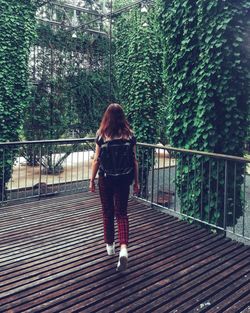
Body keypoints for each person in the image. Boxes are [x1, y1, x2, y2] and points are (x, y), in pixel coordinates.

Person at [89, 103, 139, 272]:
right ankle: (123, 248)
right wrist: (137, 182)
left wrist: (91, 181)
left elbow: (96, 160)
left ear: (107, 117)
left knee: (107, 212)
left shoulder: (101, 135)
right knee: (122, 213)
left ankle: (110, 247)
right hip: (124, 179)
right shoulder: (129, 135)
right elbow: (134, 160)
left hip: (106, 178)